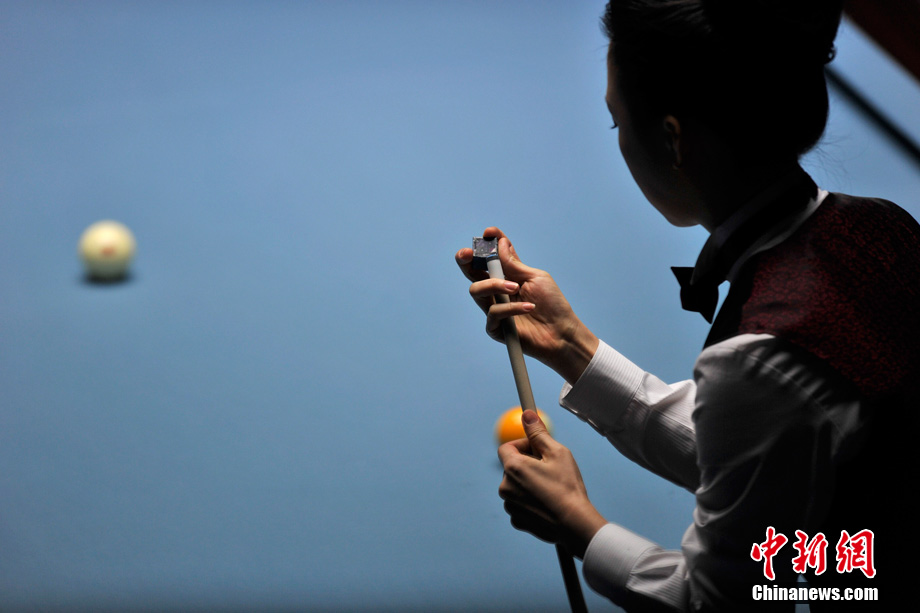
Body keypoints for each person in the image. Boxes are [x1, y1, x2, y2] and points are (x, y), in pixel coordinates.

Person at [456, 0, 920, 610]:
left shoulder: (759, 358)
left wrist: (576, 523)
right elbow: (776, 455)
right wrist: (571, 346)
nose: (620, 141)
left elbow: (720, 601)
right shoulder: (884, 225)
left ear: (673, 140)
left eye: (617, 122)